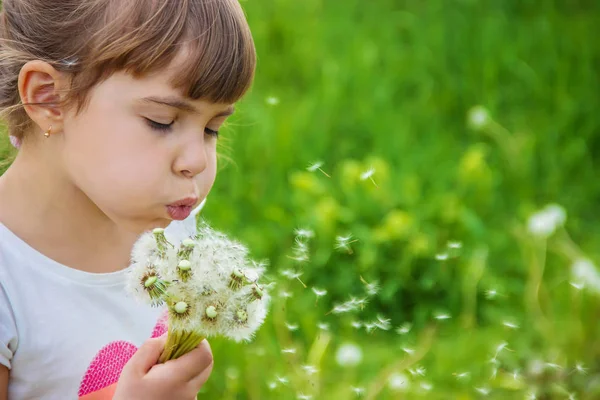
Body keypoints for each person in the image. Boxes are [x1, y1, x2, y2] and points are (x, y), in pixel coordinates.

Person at [0, 0, 256, 398]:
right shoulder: (9, 279)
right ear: (48, 98)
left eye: (212, 128)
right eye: (162, 122)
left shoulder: (168, 222)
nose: (196, 161)